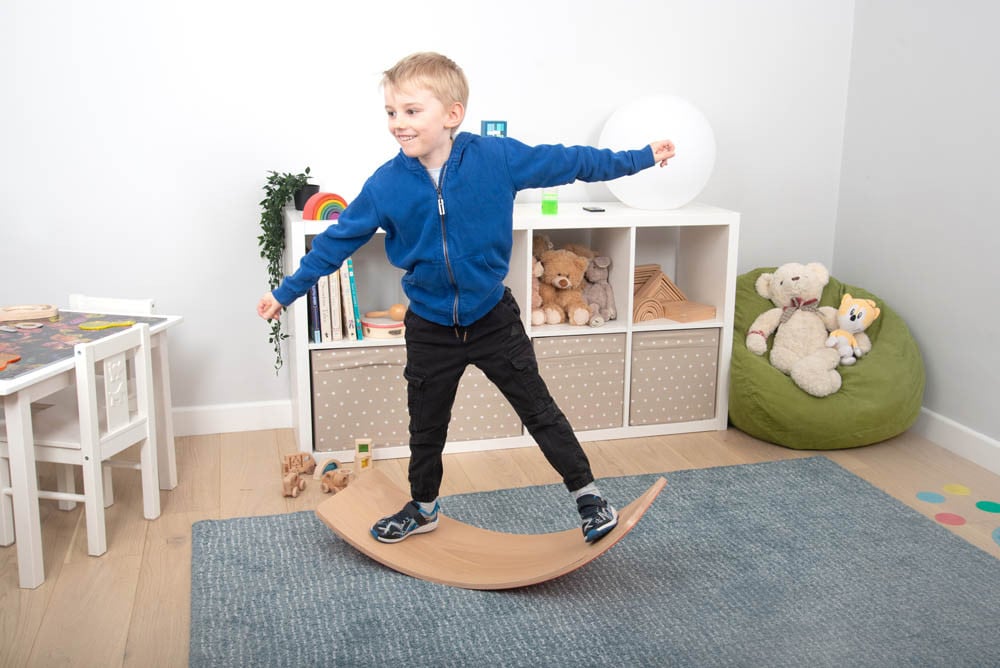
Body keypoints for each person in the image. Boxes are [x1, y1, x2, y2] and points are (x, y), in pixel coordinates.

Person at [258, 52, 676, 545]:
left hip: (492, 318)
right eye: (391, 112)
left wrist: (642, 157)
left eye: (412, 111)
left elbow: (572, 161)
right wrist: (286, 293)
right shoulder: (385, 185)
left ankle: (588, 495)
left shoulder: (493, 158)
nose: (398, 124)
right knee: (427, 425)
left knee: (539, 410)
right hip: (431, 326)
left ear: (451, 114)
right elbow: (336, 241)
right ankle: (423, 507)